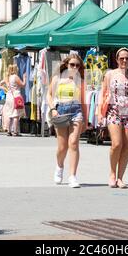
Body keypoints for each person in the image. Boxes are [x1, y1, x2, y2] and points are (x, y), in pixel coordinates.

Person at [98, 48, 128, 189]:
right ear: (117, 60)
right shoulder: (110, 74)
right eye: (122, 58)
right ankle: (112, 173)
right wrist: (99, 114)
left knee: (126, 145)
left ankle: (120, 178)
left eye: (127, 58)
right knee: (117, 143)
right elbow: (103, 92)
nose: (124, 61)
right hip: (114, 111)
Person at [47, 54, 87, 188]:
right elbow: (49, 95)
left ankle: (73, 176)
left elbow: (83, 101)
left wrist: (86, 120)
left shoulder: (80, 79)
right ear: (67, 64)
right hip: (60, 110)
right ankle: (59, 166)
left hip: (76, 110)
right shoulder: (58, 77)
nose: (75, 67)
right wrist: (53, 109)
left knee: (74, 143)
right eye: (72, 65)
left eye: (77, 65)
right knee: (62, 147)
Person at [0, 64, 26, 136]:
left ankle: (9, 131)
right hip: (15, 96)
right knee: (15, 115)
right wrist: (24, 78)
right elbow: (23, 85)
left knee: (10, 114)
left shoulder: (8, 77)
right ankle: (15, 131)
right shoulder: (15, 77)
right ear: (16, 69)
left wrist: (4, 88)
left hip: (8, 97)